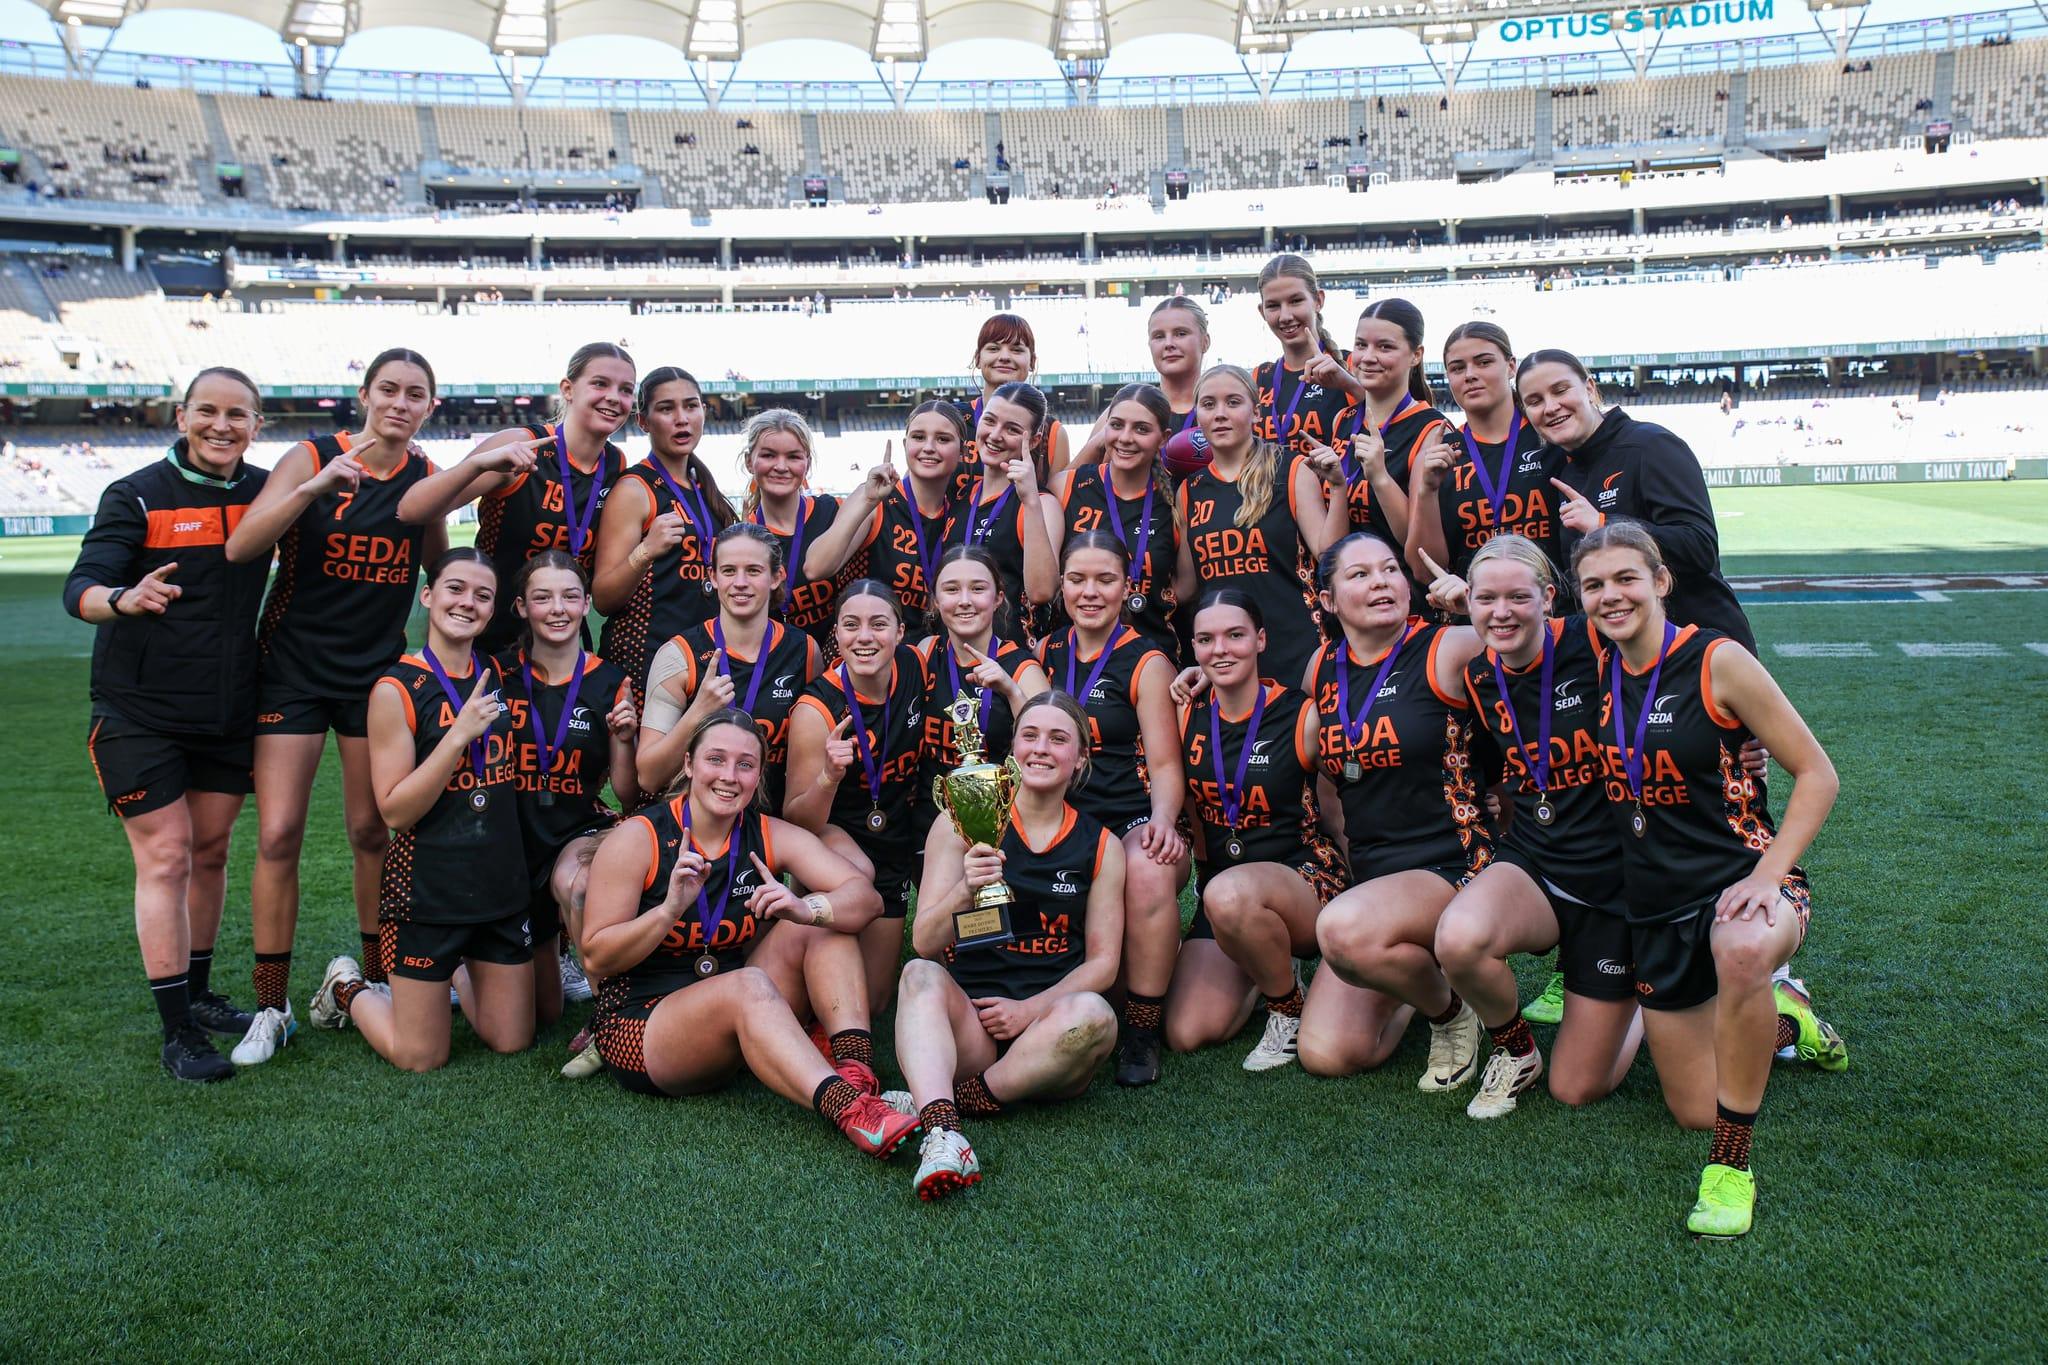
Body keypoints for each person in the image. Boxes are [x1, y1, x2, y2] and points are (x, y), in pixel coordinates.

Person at [1575, 521, 1845, 1238]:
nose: (1612, 595)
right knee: (1695, 1104)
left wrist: (1769, 872)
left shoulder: (1717, 660)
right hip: (1655, 906)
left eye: (1627, 578)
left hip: (1740, 884)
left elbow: (1818, 773)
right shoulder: (1593, 664)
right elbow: (1501, 628)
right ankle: (1787, 1021)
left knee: (1744, 952)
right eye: (1595, 584)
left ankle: (1731, 1165)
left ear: (1661, 581)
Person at [560, 710, 919, 1159]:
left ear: (758, 776)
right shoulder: (639, 837)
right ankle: (852, 1111)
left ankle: (857, 1073)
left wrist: (804, 908)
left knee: (826, 925)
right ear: (689, 765)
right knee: (748, 985)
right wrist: (670, 910)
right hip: (644, 1025)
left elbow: (864, 898)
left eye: (745, 765)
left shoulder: (764, 832)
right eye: (716, 759)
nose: (729, 776)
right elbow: (596, 957)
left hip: (738, 1011)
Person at [224, 349, 445, 1064]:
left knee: (371, 830)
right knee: (280, 831)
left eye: (416, 394)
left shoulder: (424, 476)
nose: (400, 403)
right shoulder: (312, 454)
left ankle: (372, 980)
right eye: (389, 389)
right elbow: (242, 545)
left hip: (374, 674)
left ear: (429, 407)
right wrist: (312, 487)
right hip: (290, 667)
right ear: (363, 394)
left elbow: (441, 570)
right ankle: (270, 1004)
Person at [63, 367, 272, 1081]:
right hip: (138, 710)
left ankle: (202, 991)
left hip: (226, 710)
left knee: (210, 851)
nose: (222, 425)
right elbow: (80, 589)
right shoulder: (136, 493)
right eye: (207, 411)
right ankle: (178, 1027)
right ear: (181, 416)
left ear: (257, 424)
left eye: (237, 414)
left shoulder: (263, 492)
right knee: (167, 856)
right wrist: (124, 597)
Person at [1428, 536, 1642, 1119]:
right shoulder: (1478, 676)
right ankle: (1515, 1049)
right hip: (1538, 855)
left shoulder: (1595, 640)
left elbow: (1682, 669)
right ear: (1467, 603)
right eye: (1486, 598)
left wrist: (1745, 744)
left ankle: (1643, 997)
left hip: (1616, 878)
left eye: (1518, 597)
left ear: (1549, 598)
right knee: (1458, 939)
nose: (1502, 612)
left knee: (1577, 1088)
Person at [889, 691, 1124, 1200]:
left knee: (1097, 1015)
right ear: (1011, 750)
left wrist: (1027, 1011)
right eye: (1030, 736)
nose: (1041, 749)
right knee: (916, 976)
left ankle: (949, 1097)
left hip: (1048, 1032)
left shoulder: (1102, 844)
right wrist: (963, 890)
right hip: (971, 1026)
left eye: (1058, 739)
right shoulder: (958, 824)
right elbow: (925, 941)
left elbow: (1104, 963)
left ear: (1080, 758)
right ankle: (943, 1133)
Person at [307, 549, 532, 1072]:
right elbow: (395, 812)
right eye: (455, 588)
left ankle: (453, 972)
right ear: (428, 596)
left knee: (512, 1039)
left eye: (482, 594)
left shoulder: (498, 673)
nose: (467, 602)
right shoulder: (396, 688)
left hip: (498, 887)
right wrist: (457, 736)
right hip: (427, 893)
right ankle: (348, 988)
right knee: (420, 1056)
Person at [1295, 532, 1493, 1085]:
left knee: (1341, 931)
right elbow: (1328, 777)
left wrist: (1474, 609)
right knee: (1327, 1054)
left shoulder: (1448, 646)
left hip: (1452, 862)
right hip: (1376, 878)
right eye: (1359, 575)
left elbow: (1539, 665)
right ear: (1328, 600)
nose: (1381, 581)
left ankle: (1451, 1017)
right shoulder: (1320, 667)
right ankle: (1435, 981)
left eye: (1388, 570)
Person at [1163, 591, 1345, 1070]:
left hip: (1302, 878)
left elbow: (1345, 804)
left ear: (1260, 640)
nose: (1220, 649)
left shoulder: (1301, 714)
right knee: (1187, 1031)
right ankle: (1269, 967)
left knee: (1230, 894)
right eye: (1206, 640)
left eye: (1235, 635)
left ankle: (1287, 1007)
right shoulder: (1184, 712)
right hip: (1224, 890)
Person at [1035, 532, 1186, 1086]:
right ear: (1062, 585)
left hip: (1128, 819)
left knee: (1146, 866)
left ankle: (1142, 1029)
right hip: (1060, 820)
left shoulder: (1146, 661)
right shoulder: (1045, 653)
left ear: (1128, 588)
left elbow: (1167, 766)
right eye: (1077, 579)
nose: (1090, 592)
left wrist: (1165, 821)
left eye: (1105, 580)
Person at [398, 342, 634, 656]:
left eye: (626, 389)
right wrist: (475, 466)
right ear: (568, 388)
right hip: (485, 643)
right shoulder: (522, 444)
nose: (614, 398)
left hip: (556, 648)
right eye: (600, 383)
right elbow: (414, 510)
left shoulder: (615, 464)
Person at [1517, 348, 1754, 651]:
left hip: (1700, 649)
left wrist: (1604, 525)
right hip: (1626, 660)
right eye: (1535, 401)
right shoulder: (1562, 470)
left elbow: (1700, 547)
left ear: (1589, 388)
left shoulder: (1651, 445)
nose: (1550, 407)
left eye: (1560, 390)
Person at [489, 552, 638, 1030]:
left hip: (573, 832)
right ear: (520, 607)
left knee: (577, 884)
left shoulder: (612, 683)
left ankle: (610, 1019)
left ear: (587, 603)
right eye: (542, 597)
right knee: (538, 1016)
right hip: (507, 842)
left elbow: (628, 793)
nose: (558, 608)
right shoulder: (495, 677)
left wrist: (626, 739)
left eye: (570, 596)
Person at [784, 581, 928, 1010]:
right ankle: (799, 925)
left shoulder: (916, 666)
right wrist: (828, 776)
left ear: (900, 632)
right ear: (837, 634)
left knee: (876, 1001)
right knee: (858, 872)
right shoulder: (817, 708)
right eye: (851, 625)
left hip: (894, 836)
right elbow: (798, 820)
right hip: (835, 834)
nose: (864, 637)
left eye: (878, 624)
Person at [638, 523, 823, 813]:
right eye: (728, 571)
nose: (740, 582)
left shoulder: (805, 651)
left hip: (772, 824)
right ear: (712, 576)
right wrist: (698, 711)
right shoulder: (679, 655)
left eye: (753, 570)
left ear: (777, 577)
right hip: (696, 825)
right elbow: (649, 776)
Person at [1178, 364, 1336, 686]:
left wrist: (1341, 488)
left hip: (1297, 654)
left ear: (1256, 412)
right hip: (1226, 660)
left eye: (1233, 402)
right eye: (1209, 405)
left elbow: (1330, 555)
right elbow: (1188, 587)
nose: (1220, 413)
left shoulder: (1292, 470)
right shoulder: (1188, 491)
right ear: (1197, 416)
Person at [591, 365, 738, 708]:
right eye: (666, 409)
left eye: (691, 406)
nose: (682, 419)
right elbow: (603, 597)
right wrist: (645, 551)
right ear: (643, 421)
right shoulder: (634, 489)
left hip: (702, 660)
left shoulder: (704, 488)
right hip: (646, 660)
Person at [803, 402, 971, 641]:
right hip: (867, 653)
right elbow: (815, 568)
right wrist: (867, 501)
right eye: (918, 437)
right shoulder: (875, 499)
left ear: (963, 451)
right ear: (905, 445)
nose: (929, 447)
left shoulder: (961, 513)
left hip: (930, 660)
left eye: (943, 439)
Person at [1051, 384, 1196, 660]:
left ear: (1164, 438)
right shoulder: (1068, 486)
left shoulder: (1176, 499)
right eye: (1117, 425)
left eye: (1141, 429)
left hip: (1153, 656)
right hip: (1075, 659)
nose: (1126, 438)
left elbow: (1185, 588)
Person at [1409, 321, 1560, 579]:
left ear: (1511, 366)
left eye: (1484, 362)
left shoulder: (1551, 438)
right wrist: (1427, 491)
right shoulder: (1441, 455)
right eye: (1457, 368)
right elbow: (1424, 571)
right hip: (1477, 611)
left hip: (1554, 611)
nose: (1469, 374)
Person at [915, 545, 1050, 833]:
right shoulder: (926, 653)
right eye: (951, 590)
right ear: (936, 600)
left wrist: (1012, 691)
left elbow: (1048, 744)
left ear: (998, 597)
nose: (964, 601)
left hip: (1004, 819)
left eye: (977, 589)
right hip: (931, 817)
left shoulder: (1021, 668)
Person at [1327, 298, 1449, 564]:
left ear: (1416, 355)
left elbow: (1419, 547)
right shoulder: (1343, 420)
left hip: (1399, 592)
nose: (1368, 357)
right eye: (1361, 345)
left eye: (1385, 347)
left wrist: (1380, 478)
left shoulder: (1431, 430)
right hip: (1346, 588)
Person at [738, 408, 863, 648]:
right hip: (771, 668)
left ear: (808, 463)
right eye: (768, 455)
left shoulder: (834, 512)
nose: (781, 466)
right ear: (749, 462)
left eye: (793, 457)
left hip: (835, 665)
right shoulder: (743, 535)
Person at [961, 381, 1059, 638]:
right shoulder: (959, 496)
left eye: (1012, 429)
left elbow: (1041, 592)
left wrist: (1030, 501)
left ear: (1035, 439)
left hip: (1009, 657)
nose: (995, 435)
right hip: (953, 654)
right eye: (990, 421)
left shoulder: (1040, 503)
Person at [1252, 255, 1365, 459]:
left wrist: (1349, 384)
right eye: (1273, 306)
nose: (1285, 316)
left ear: (1318, 301)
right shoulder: (1257, 378)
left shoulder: (1353, 365)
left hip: (1337, 490)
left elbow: (1393, 426)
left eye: (1295, 301)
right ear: (1262, 311)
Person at [959, 313, 1070, 488]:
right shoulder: (952, 419)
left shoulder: (1053, 434)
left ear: (1032, 361)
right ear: (978, 358)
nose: (1004, 356)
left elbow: (1059, 502)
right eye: (994, 348)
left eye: (1017, 350)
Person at [1146, 296, 1213, 479]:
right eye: (1159, 336)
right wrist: (1097, 444)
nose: (1169, 344)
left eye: (1181, 333)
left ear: (1205, 342)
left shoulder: (1230, 413)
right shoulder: (1128, 412)